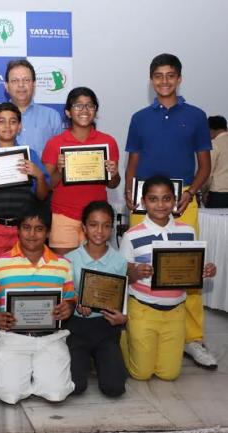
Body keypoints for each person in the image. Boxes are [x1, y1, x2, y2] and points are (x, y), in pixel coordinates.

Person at [124, 53, 215, 369]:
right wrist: (129, 190)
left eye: (170, 75)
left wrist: (190, 192)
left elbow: (204, 166)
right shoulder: (139, 118)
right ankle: (136, 328)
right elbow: (133, 161)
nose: (164, 81)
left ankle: (193, 339)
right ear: (151, 80)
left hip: (182, 202)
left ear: (179, 78)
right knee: (138, 267)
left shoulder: (197, 115)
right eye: (158, 76)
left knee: (187, 270)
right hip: (143, 200)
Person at [0, 102, 50, 372]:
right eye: (1, 121)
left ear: (20, 126)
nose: (7, 126)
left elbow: (42, 195)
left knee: (22, 283)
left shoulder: (30, 155)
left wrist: (38, 175)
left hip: (23, 232)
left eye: (13, 121)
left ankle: (20, 337)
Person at [121, 176, 216, 380]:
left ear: (175, 200)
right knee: (141, 374)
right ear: (143, 202)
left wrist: (206, 269)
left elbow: (192, 266)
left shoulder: (187, 231)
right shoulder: (131, 235)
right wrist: (136, 272)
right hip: (143, 309)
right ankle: (124, 338)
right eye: (153, 199)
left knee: (168, 374)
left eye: (166, 198)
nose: (160, 205)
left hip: (175, 312)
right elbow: (122, 273)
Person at [0, 204, 76, 404]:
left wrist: (69, 307)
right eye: (26, 227)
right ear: (18, 230)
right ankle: (24, 373)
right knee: (10, 394)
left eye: (39, 229)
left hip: (50, 338)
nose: (32, 234)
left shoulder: (63, 265)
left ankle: (36, 373)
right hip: (13, 338)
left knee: (57, 393)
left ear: (48, 232)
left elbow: (70, 299)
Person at [42, 87, 120, 255]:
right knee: (64, 267)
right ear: (68, 112)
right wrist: (59, 171)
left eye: (90, 105)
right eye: (78, 105)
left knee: (94, 268)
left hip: (97, 218)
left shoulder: (108, 142)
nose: (84, 110)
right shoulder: (55, 143)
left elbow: (113, 184)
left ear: (95, 111)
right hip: (64, 215)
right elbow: (47, 185)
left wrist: (114, 174)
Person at [65, 201, 127, 397]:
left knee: (114, 388)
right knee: (75, 387)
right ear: (84, 227)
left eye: (106, 225)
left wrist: (123, 318)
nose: (99, 231)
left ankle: (101, 359)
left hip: (106, 327)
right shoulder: (69, 259)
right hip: (77, 327)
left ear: (112, 229)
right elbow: (65, 295)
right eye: (93, 225)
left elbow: (123, 298)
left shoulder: (120, 261)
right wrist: (75, 301)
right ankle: (87, 359)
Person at [0, 59, 62, 155]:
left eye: (26, 80)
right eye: (15, 81)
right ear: (6, 86)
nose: (21, 85)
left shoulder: (52, 117)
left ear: (34, 84)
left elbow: (58, 157)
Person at [203, 115, 228, 208]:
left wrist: (204, 192)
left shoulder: (214, 144)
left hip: (219, 195)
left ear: (210, 130)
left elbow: (207, 172)